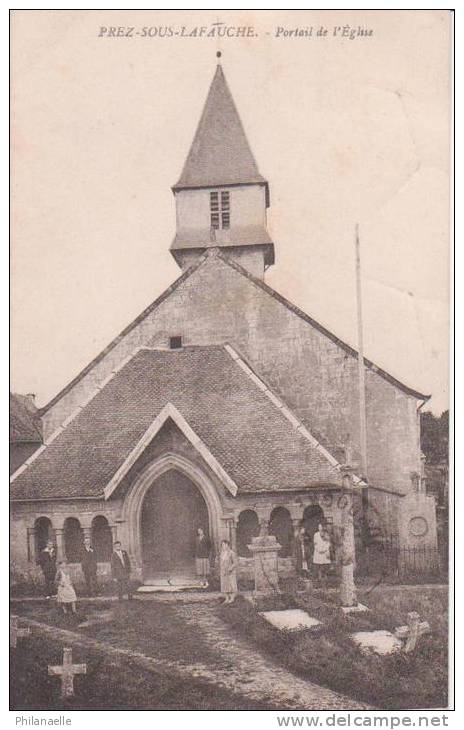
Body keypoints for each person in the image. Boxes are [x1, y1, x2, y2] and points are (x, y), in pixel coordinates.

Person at [219, 539, 238, 604]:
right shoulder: (222, 553)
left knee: (231, 585)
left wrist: (230, 568)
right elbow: (221, 562)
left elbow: (235, 563)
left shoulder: (232, 553)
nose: (223, 546)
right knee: (225, 585)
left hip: (230, 572)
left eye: (224, 545)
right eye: (222, 545)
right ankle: (227, 598)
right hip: (223, 572)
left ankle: (232, 598)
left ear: (227, 545)